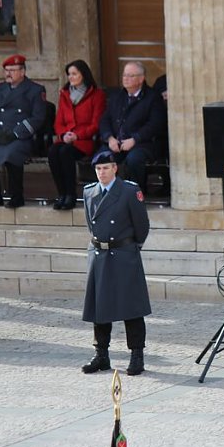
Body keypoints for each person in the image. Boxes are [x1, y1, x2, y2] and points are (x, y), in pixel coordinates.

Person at [80, 151, 151, 377]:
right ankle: (101, 354)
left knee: (131, 308)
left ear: (115, 169)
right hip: (99, 254)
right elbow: (91, 225)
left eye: (106, 168)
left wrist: (130, 247)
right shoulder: (89, 191)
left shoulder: (129, 191)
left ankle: (136, 355)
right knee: (100, 308)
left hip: (123, 253)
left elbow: (142, 226)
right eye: (98, 169)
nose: (102, 173)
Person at [0, 54, 47, 209]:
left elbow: (38, 118)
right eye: (6, 71)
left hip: (21, 136)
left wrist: (16, 133)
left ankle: (17, 196)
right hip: (0, 135)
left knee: (11, 156)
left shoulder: (35, 90)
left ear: (22, 72)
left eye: (13, 70)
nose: (8, 74)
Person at [98, 61, 167, 192]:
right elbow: (104, 120)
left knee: (134, 160)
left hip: (144, 143)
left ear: (141, 79)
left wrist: (135, 139)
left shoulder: (152, 97)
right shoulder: (117, 96)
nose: (126, 79)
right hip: (117, 143)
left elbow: (155, 125)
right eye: (124, 75)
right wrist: (110, 138)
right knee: (103, 157)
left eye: (131, 76)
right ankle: (109, 194)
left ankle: (136, 196)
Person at [47, 60, 106, 210]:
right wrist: (63, 134)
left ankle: (71, 195)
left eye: (74, 74)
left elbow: (96, 123)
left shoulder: (96, 94)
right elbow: (58, 121)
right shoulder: (64, 94)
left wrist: (77, 136)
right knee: (54, 151)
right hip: (66, 138)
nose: (71, 77)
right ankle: (62, 194)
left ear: (83, 74)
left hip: (85, 140)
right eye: (69, 74)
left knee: (65, 152)